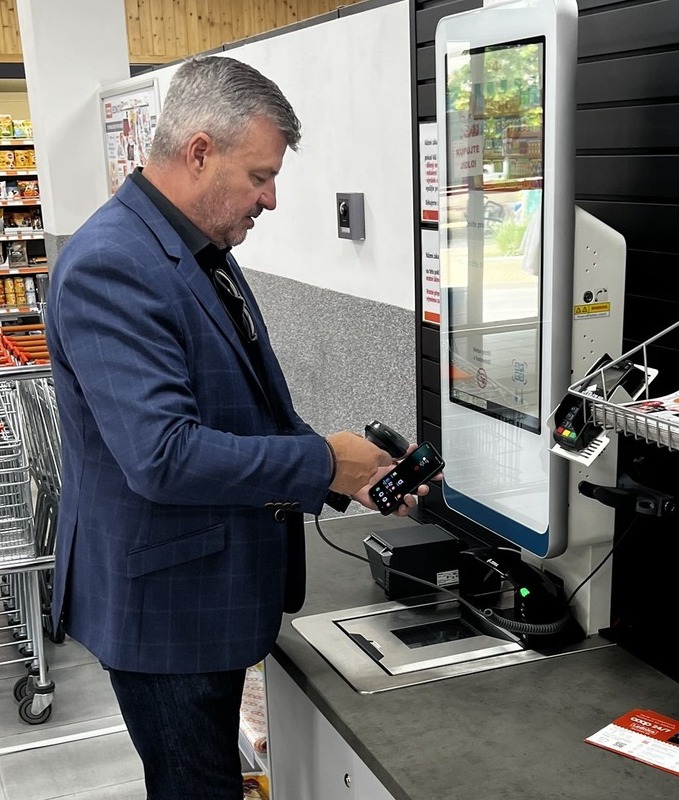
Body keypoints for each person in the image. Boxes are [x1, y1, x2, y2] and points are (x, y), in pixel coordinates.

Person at [45, 54, 435, 799]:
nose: (272, 198)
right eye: (261, 176)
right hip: (167, 611)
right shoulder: (111, 264)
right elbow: (161, 456)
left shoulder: (198, 248)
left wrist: (354, 470)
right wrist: (323, 463)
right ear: (199, 152)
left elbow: (248, 410)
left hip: (206, 591)